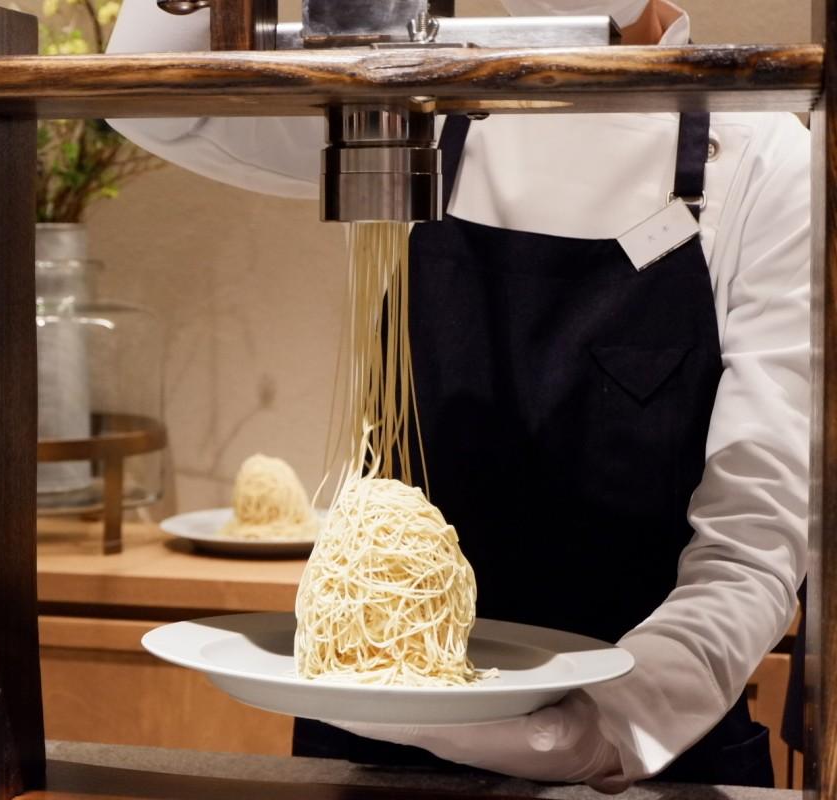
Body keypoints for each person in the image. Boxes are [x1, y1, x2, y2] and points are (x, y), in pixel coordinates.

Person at [106, 0, 810, 790]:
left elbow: (754, 542)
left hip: (649, 751)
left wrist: (606, 728)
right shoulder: (419, 105)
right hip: (373, 710)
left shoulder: (764, 152)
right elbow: (148, 91)